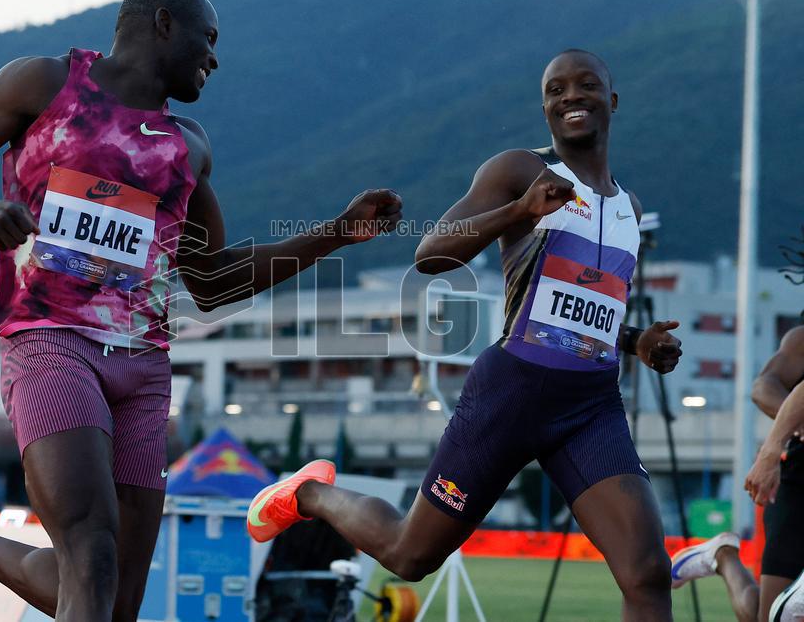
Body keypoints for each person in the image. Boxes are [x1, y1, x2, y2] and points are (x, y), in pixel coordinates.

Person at [0, 0, 402, 621]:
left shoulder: (187, 147)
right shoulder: (44, 85)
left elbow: (214, 281)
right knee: (91, 549)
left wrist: (336, 233)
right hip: (51, 342)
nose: (215, 59)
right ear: (164, 23)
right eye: (208, 41)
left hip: (142, 371)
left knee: (113, 594)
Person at [248, 49, 684, 620]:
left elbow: (579, 309)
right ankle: (308, 493)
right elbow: (430, 253)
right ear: (545, 108)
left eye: (586, 85)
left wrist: (636, 342)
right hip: (512, 394)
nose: (570, 96)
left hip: (590, 405)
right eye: (555, 90)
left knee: (647, 573)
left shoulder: (629, 208)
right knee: (409, 556)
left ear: (613, 100)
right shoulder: (520, 171)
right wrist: (518, 211)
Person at [671, 324, 804, 622]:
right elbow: (763, 387)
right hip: (798, 479)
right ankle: (723, 557)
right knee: (768, 617)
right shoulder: (801, 339)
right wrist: (776, 446)